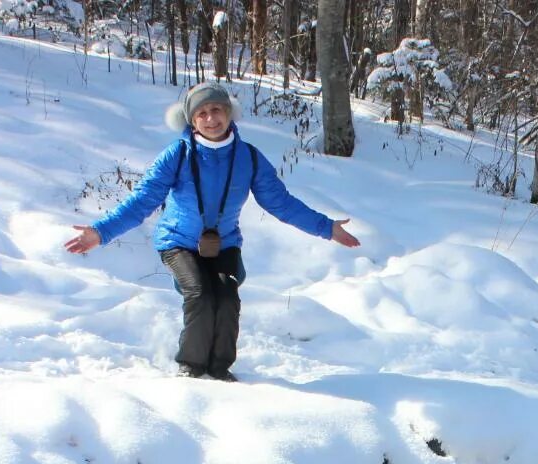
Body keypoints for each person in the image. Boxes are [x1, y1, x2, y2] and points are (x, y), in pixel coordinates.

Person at [64, 81, 361, 381]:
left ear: (230, 113)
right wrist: (100, 232)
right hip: (178, 241)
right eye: (201, 113)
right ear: (191, 120)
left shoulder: (249, 157)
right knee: (201, 294)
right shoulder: (177, 155)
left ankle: (220, 370)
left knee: (227, 297)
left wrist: (327, 228)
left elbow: (281, 203)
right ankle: (191, 368)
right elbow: (142, 201)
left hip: (224, 243)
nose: (210, 118)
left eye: (216, 110)